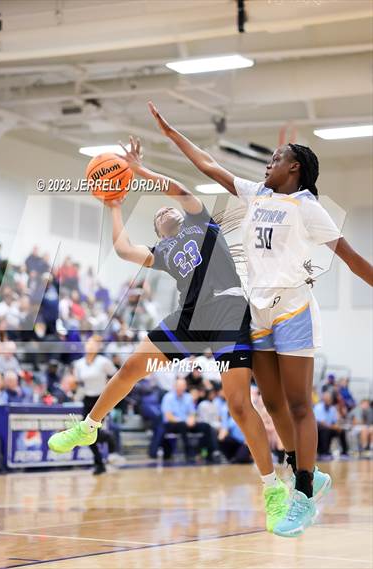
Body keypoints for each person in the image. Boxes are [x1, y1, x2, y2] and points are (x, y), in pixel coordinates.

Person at [147, 101, 373, 536]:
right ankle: (309, 472)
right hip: (258, 309)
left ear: (295, 169)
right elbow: (211, 166)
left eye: (276, 159)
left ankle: (303, 494)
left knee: (299, 404)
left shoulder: (309, 207)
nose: (269, 163)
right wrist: (173, 134)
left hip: (293, 308)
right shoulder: (258, 194)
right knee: (270, 404)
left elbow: (351, 259)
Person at [49, 137, 291, 532]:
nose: (165, 210)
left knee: (238, 405)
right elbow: (125, 250)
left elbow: (179, 191)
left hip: (228, 308)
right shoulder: (164, 250)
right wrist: (113, 207)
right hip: (189, 318)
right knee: (131, 366)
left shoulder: (201, 223)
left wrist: (142, 172)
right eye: (159, 214)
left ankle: (272, 489)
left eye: (168, 210)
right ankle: (89, 427)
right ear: (161, 233)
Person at [72, 335, 118, 475]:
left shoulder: (104, 362)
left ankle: (107, 440)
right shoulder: (78, 364)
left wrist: (111, 394)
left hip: (101, 399)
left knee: (91, 432)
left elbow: (117, 377)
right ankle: (100, 462)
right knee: (85, 434)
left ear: (98, 347)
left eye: (93, 344)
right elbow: (78, 382)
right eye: (88, 344)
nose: (90, 346)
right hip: (87, 399)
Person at [161, 378, 215, 462]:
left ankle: (205, 452)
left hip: (186, 423)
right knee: (182, 425)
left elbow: (192, 412)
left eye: (183, 386)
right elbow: (168, 416)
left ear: (185, 387)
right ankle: (189, 452)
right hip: (172, 423)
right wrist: (183, 421)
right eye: (179, 386)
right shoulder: (168, 397)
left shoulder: (188, 397)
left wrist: (192, 419)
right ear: (175, 386)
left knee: (206, 426)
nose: (181, 388)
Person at [314, 391, 349, 458]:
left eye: (329, 399)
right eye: (326, 399)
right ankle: (324, 453)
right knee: (325, 430)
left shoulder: (332, 408)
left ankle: (344, 452)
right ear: (323, 399)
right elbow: (322, 423)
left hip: (330, 428)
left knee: (342, 431)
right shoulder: (318, 407)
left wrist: (337, 426)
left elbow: (335, 421)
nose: (328, 400)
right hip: (319, 429)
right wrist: (334, 427)